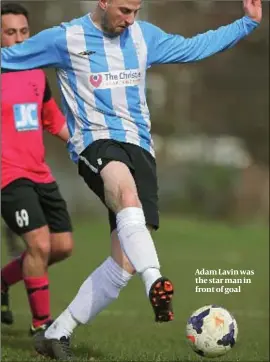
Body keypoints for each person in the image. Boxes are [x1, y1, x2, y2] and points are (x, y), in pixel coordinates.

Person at [1, 0, 262, 359]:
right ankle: (155, 281)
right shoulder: (66, 38)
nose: (130, 19)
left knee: (122, 263)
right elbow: (8, 58)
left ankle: (57, 332)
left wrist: (245, 24)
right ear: (103, 1)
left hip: (141, 150)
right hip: (97, 144)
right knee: (125, 195)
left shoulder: (144, 36)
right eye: (124, 10)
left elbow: (194, 48)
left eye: (136, 10)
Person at [1, 2, 74, 337]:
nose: (18, 39)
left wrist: (82, 143)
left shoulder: (36, 74)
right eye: (10, 33)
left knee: (61, 247)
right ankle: (42, 328)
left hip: (40, 173)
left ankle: (2, 281)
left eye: (24, 32)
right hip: (8, 176)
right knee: (39, 246)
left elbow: (52, 120)